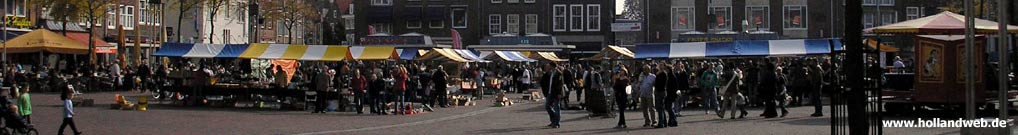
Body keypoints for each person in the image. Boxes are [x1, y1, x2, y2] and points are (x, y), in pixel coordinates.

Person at [541, 63, 565, 128]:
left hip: (556, 93)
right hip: (550, 92)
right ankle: (553, 120)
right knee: (547, 106)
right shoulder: (551, 73)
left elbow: (560, 84)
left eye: (549, 66)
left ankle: (556, 123)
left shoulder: (558, 73)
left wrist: (559, 93)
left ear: (552, 66)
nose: (548, 67)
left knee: (557, 107)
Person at [653, 64, 670, 128]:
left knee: (660, 108)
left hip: (661, 91)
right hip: (659, 91)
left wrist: (657, 86)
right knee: (661, 108)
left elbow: (662, 83)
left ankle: (661, 123)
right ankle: (664, 122)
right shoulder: (659, 74)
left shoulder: (663, 74)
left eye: (662, 66)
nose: (660, 67)